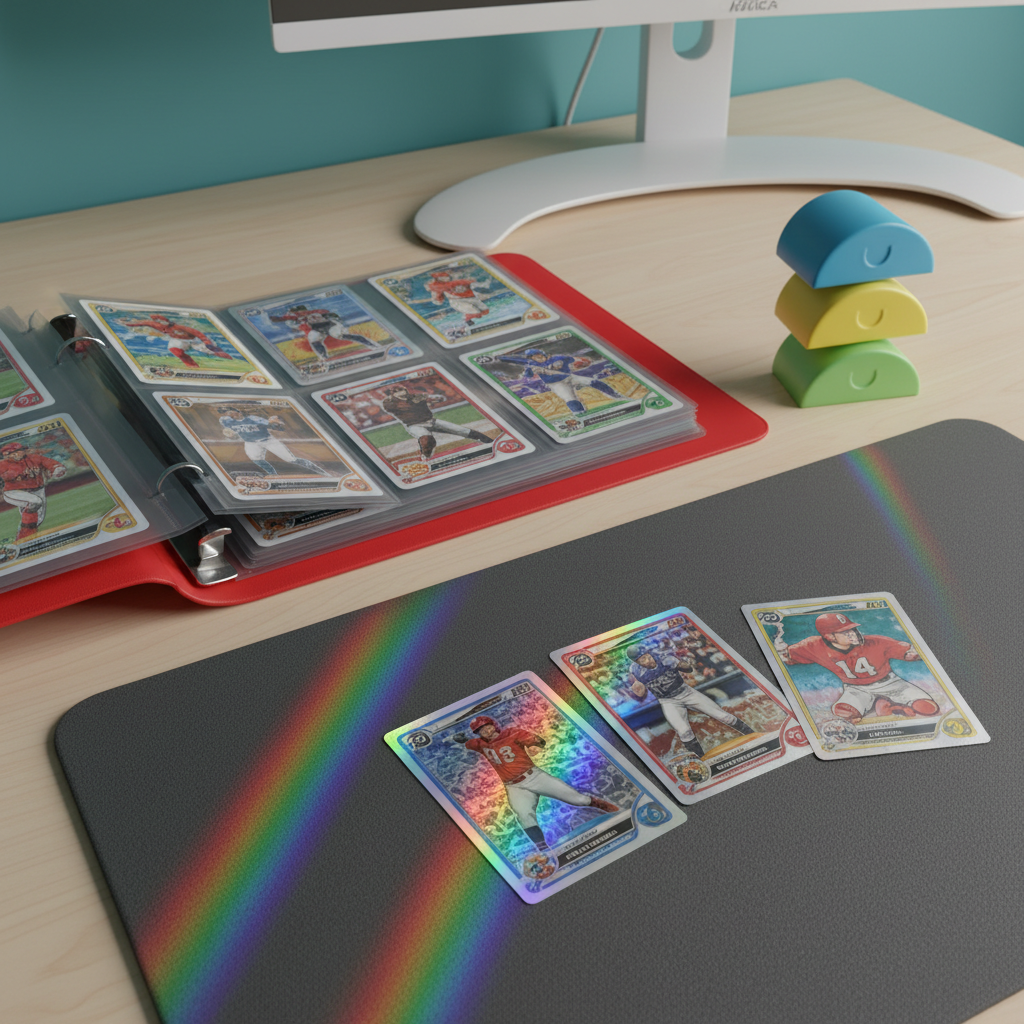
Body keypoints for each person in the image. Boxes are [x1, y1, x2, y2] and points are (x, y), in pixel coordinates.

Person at [452, 715, 618, 852]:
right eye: (480, 730)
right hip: (514, 786)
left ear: (493, 724)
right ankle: (544, 850)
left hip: (534, 777)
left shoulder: (512, 732)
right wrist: (462, 739)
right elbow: (469, 742)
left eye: (486, 726)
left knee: (578, 800)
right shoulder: (480, 743)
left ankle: (609, 807)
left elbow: (535, 740)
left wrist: (534, 746)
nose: (485, 731)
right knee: (524, 816)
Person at [774, 612, 939, 723]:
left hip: (890, 682)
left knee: (927, 708)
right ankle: (884, 704)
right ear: (829, 636)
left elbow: (908, 653)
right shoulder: (812, 645)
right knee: (843, 713)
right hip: (855, 688)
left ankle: (884, 703)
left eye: (852, 628)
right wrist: (782, 651)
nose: (853, 633)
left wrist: (915, 654)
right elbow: (790, 657)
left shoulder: (875, 641)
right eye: (845, 632)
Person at [627, 644, 756, 761]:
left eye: (647, 657)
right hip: (668, 701)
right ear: (636, 662)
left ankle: (754, 736)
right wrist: (638, 691)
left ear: (649, 653)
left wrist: (682, 663)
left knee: (724, 716)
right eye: (641, 660)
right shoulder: (635, 671)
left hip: (686, 693)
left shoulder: (664, 658)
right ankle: (704, 760)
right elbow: (641, 695)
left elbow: (688, 669)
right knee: (684, 732)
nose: (647, 661)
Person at [499, 348, 625, 418]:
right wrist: (528, 371)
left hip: (569, 377)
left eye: (536, 355)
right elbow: (528, 376)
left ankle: (617, 396)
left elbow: (578, 360)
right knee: (569, 398)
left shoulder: (558, 357)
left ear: (542, 353)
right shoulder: (532, 364)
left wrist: (583, 361)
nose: (535, 358)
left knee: (592, 381)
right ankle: (580, 415)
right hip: (557, 384)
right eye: (532, 357)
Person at [380, 383, 494, 461]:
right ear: (393, 394)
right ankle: (426, 458)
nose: (401, 392)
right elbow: (394, 407)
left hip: (430, 420)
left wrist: (430, 400)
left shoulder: (417, 396)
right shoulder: (391, 403)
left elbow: (437, 399)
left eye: (402, 390)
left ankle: (491, 442)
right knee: (426, 438)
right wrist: (416, 402)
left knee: (461, 430)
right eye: (397, 391)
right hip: (414, 425)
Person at [217, 405, 331, 478]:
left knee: (291, 459)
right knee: (256, 460)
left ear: (238, 412)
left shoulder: (253, 418)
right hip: (251, 443)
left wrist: (277, 424)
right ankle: (273, 475)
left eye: (231, 412)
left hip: (268, 440)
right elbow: (232, 434)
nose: (228, 414)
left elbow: (277, 427)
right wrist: (231, 436)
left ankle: (321, 472)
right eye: (226, 413)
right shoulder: (226, 421)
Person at [0, 441, 66, 542]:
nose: (22, 452)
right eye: (18, 450)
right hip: (14, 492)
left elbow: (53, 464)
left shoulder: (34, 458)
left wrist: (58, 469)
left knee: (37, 521)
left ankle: (22, 539)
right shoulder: (3, 465)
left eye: (21, 450)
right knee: (34, 502)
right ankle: (23, 539)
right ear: (7, 454)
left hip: (38, 490)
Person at [268, 305, 377, 361]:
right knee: (314, 339)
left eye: (297, 311)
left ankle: (371, 344)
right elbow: (283, 319)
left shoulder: (302, 314)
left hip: (329, 325)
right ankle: (324, 357)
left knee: (339, 335)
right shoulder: (297, 316)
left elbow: (328, 313)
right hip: (316, 328)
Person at [123, 314, 233, 368]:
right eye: (160, 324)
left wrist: (208, 344)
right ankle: (192, 366)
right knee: (173, 349)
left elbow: (199, 334)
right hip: (179, 340)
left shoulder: (180, 327)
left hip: (195, 341)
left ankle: (229, 358)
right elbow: (140, 323)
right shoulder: (155, 325)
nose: (163, 329)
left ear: (169, 323)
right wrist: (126, 323)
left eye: (165, 325)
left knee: (214, 352)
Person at [409, 270, 493, 325]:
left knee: (485, 310)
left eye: (446, 276)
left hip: (471, 297)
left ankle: (469, 319)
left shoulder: (460, 281)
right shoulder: (437, 286)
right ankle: (468, 321)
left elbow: (476, 284)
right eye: (442, 277)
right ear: (438, 278)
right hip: (457, 301)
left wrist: (482, 289)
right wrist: (438, 299)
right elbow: (437, 298)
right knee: (474, 311)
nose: (445, 278)